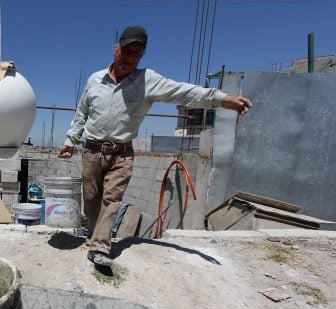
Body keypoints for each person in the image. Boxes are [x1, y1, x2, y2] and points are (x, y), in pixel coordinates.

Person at [59, 25, 252, 267]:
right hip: (92, 151)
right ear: (116, 50)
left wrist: (222, 99)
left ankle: (100, 246)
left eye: (137, 53)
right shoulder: (95, 80)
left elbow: (183, 92)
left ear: (141, 57)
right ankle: (94, 235)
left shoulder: (147, 81)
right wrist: (70, 142)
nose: (130, 57)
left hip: (121, 154)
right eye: (127, 50)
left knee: (112, 199)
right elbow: (81, 114)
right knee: (91, 198)